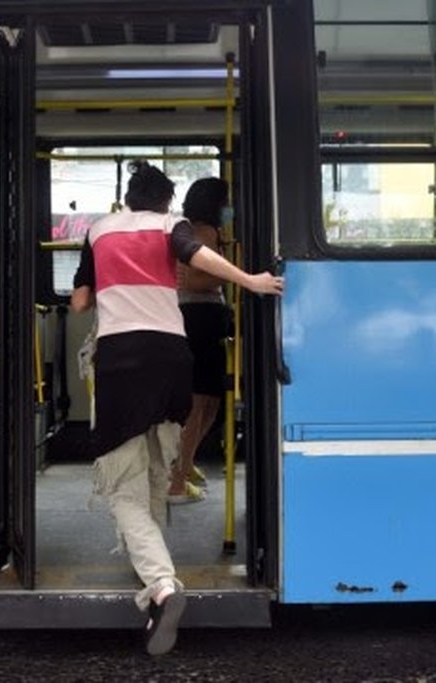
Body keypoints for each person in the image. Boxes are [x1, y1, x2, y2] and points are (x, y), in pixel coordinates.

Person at [70, 161, 283, 655]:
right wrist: (251, 282)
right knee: (153, 477)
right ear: (166, 200)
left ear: (128, 197)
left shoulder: (98, 230)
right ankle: (151, 575)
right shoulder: (172, 226)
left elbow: (80, 302)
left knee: (123, 490)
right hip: (172, 360)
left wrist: (108, 287)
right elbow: (197, 254)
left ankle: (163, 587)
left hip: (122, 364)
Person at [169, 177, 231, 504]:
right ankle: (176, 481)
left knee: (210, 402)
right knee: (199, 403)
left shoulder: (194, 230)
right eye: (227, 202)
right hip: (200, 316)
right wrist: (233, 271)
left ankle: (185, 464)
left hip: (197, 316)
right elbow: (195, 280)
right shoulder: (204, 232)